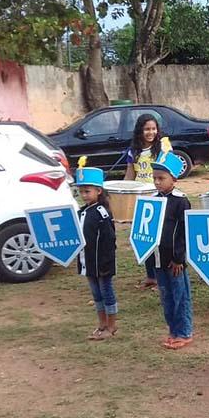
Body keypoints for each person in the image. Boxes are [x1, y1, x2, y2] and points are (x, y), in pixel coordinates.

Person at [150, 151, 193, 350]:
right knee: (166, 295)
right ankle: (173, 330)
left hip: (174, 261)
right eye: (155, 178)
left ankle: (184, 332)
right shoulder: (152, 200)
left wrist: (179, 258)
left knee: (180, 296)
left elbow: (185, 232)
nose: (157, 182)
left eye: (161, 178)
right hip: (158, 258)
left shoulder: (181, 201)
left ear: (174, 179)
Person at [75, 165, 118, 340]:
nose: (84, 195)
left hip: (102, 263)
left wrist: (106, 263)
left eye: (87, 191)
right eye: (81, 192)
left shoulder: (101, 213)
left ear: (98, 191)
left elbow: (109, 240)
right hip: (88, 261)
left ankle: (112, 326)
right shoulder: (82, 212)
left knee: (106, 292)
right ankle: (102, 324)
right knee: (96, 294)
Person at [126, 114, 163, 291]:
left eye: (153, 128)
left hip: (158, 199)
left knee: (159, 241)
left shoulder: (163, 149)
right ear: (140, 130)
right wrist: (126, 193)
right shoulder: (133, 151)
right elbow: (129, 175)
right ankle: (151, 276)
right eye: (147, 129)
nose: (151, 132)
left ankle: (161, 278)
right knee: (145, 238)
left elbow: (171, 172)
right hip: (141, 200)